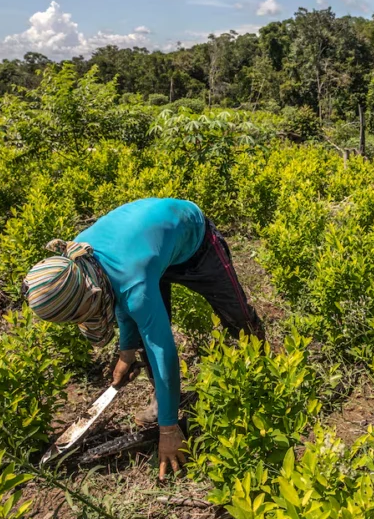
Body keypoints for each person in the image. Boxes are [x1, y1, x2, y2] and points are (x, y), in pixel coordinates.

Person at [22, 198, 264, 481]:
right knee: (145, 336)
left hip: (196, 242)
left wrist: (169, 430)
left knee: (239, 319)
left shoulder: (128, 277)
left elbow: (163, 349)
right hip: (149, 254)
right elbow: (120, 296)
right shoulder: (79, 261)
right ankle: (165, 403)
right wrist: (126, 353)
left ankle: (265, 376)